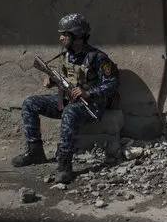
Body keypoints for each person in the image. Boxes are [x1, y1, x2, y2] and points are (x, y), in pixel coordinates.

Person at [11, 13, 119, 183]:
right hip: (69, 101)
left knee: (69, 112)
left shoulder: (98, 58)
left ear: (77, 35)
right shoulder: (65, 56)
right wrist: (52, 82)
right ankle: (35, 152)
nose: (60, 37)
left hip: (91, 106)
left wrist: (89, 93)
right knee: (30, 103)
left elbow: (112, 84)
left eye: (65, 34)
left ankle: (64, 164)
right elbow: (66, 81)